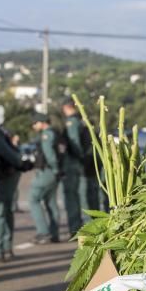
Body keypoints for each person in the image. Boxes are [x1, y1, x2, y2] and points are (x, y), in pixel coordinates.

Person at [0, 126, 33, 263]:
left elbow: (3, 150)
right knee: (6, 210)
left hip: (5, 173)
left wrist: (18, 163)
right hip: (9, 171)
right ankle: (6, 248)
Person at [29, 112, 61, 244]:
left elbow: (50, 156)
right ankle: (54, 233)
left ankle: (43, 232)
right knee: (51, 202)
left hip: (47, 172)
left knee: (34, 200)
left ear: (42, 122)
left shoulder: (46, 134)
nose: (33, 126)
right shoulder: (55, 133)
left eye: (35, 123)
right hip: (54, 173)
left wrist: (55, 169)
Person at [60, 98, 89, 237]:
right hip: (79, 163)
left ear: (66, 107)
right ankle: (81, 227)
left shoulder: (72, 122)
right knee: (80, 196)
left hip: (72, 163)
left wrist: (79, 158)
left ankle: (75, 228)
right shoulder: (81, 120)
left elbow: (74, 142)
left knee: (71, 196)